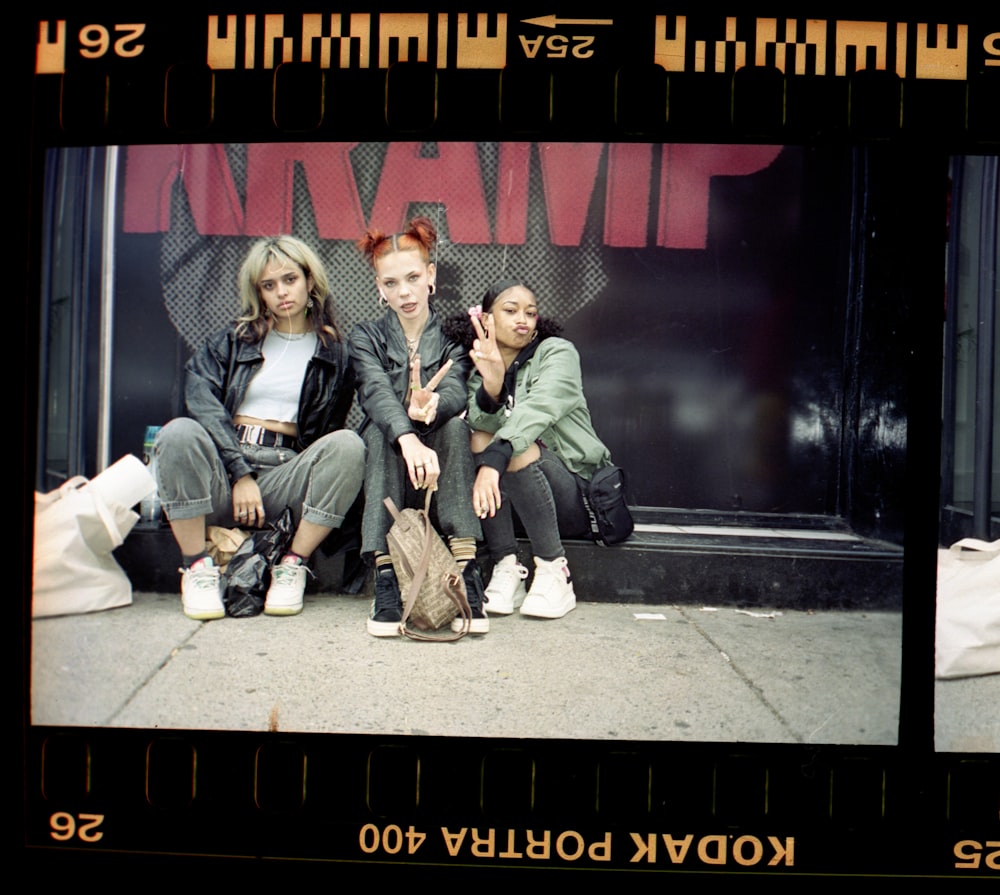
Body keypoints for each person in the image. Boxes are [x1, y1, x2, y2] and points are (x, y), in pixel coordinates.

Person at [154, 236, 365, 620]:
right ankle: (197, 568)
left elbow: (335, 429)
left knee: (349, 445)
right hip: (225, 471)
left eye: (289, 280)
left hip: (284, 476)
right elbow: (201, 404)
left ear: (309, 281)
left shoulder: (335, 353)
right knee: (178, 432)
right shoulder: (232, 342)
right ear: (258, 292)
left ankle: (292, 564)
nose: (282, 292)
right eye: (269, 285)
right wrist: (240, 473)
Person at [350, 216, 488, 637]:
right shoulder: (366, 336)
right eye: (391, 283)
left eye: (412, 277)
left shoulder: (451, 337)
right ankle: (386, 576)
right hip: (388, 468)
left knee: (453, 430)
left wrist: (432, 408)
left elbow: (456, 391)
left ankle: (465, 570)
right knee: (378, 430)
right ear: (378, 287)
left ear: (431, 275)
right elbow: (374, 392)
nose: (404, 292)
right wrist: (407, 433)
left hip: (442, 472)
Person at [446, 278, 613, 619]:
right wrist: (492, 383)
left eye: (530, 312)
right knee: (479, 437)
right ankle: (507, 566)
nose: (523, 318)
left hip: (577, 494)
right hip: (519, 502)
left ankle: (554, 569)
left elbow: (538, 410)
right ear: (487, 320)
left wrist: (494, 461)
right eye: (511, 311)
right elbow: (480, 421)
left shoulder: (557, 352)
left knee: (513, 448)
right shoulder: (482, 363)